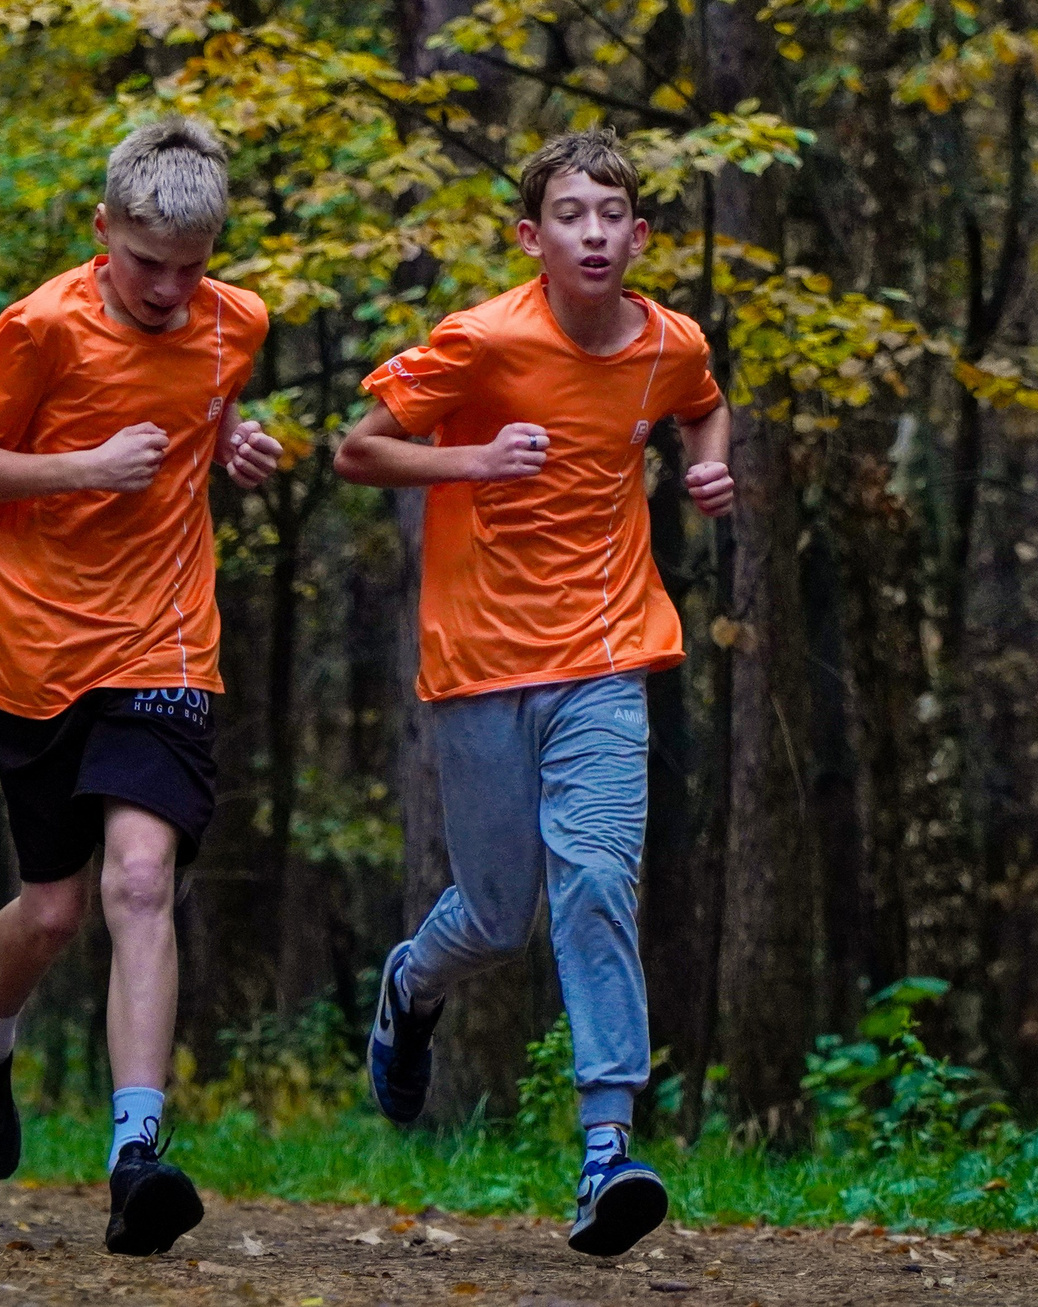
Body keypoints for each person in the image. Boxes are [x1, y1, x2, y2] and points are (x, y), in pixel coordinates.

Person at [333, 129, 734, 1258]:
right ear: (532, 237)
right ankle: (412, 983)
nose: (593, 234)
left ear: (638, 236)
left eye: (611, 216)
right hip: (479, 660)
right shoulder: (482, 340)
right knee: (498, 915)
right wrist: (473, 460)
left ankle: (608, 1148)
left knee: (598, 879)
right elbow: (358, 452)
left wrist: (708, 461)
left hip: (607, 650)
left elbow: (703, 403)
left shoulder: (669, 344)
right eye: (569, 215)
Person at [0, 117, 279, 1257]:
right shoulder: (39, 327)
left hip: (164, 644)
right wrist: (85, 465)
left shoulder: (237, 321)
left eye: (192, 266)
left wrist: (235, 446)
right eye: (146, 263)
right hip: (37, 654)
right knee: (52, 912)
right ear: (102, 230)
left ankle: (137, 1157)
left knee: (138, 879)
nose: (171, 289)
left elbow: (206, 410)